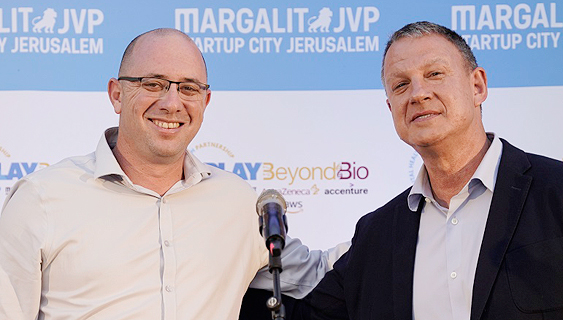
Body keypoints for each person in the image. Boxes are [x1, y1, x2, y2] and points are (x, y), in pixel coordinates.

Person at [0, 28, 347, 320]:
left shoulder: (238, 202)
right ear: (116, 94)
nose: (171, 102)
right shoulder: (41, 199)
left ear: (206, 102)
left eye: (189, 88)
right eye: (153, 84)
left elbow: (318, 274)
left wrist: (397, 221)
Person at [303, 21, 563, 319]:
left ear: (477, 86)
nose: (418, 94)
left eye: (434, 74)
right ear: (391, 109)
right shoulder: (375, 235)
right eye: (401, 84)